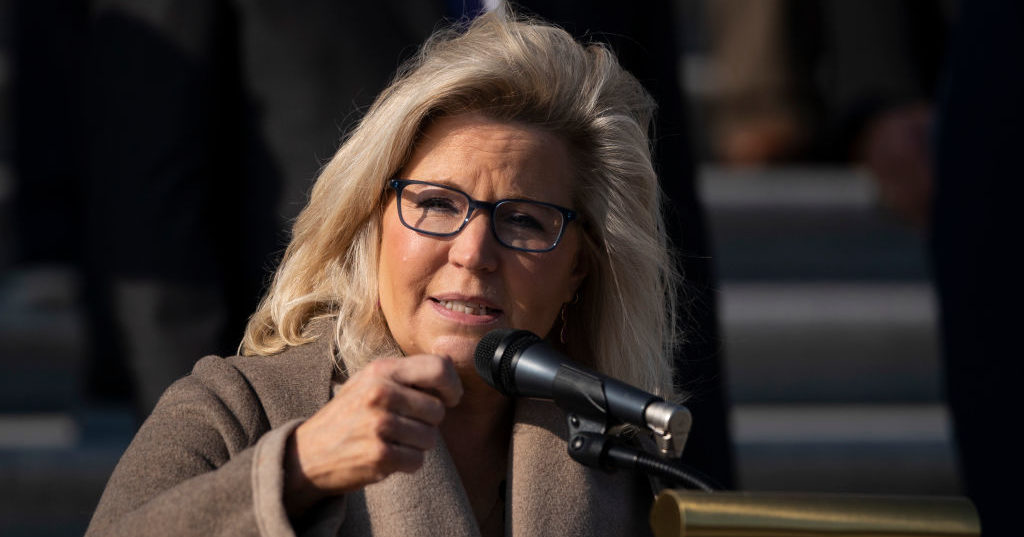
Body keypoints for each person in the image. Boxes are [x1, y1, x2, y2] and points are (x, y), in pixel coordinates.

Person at [86, 10, 679, 536]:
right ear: (371, 226)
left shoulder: (626, 465)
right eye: (436, 205)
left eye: (524, 220)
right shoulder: (236, 410)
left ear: (579, 268)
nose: (473, 252)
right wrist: (296, 469)